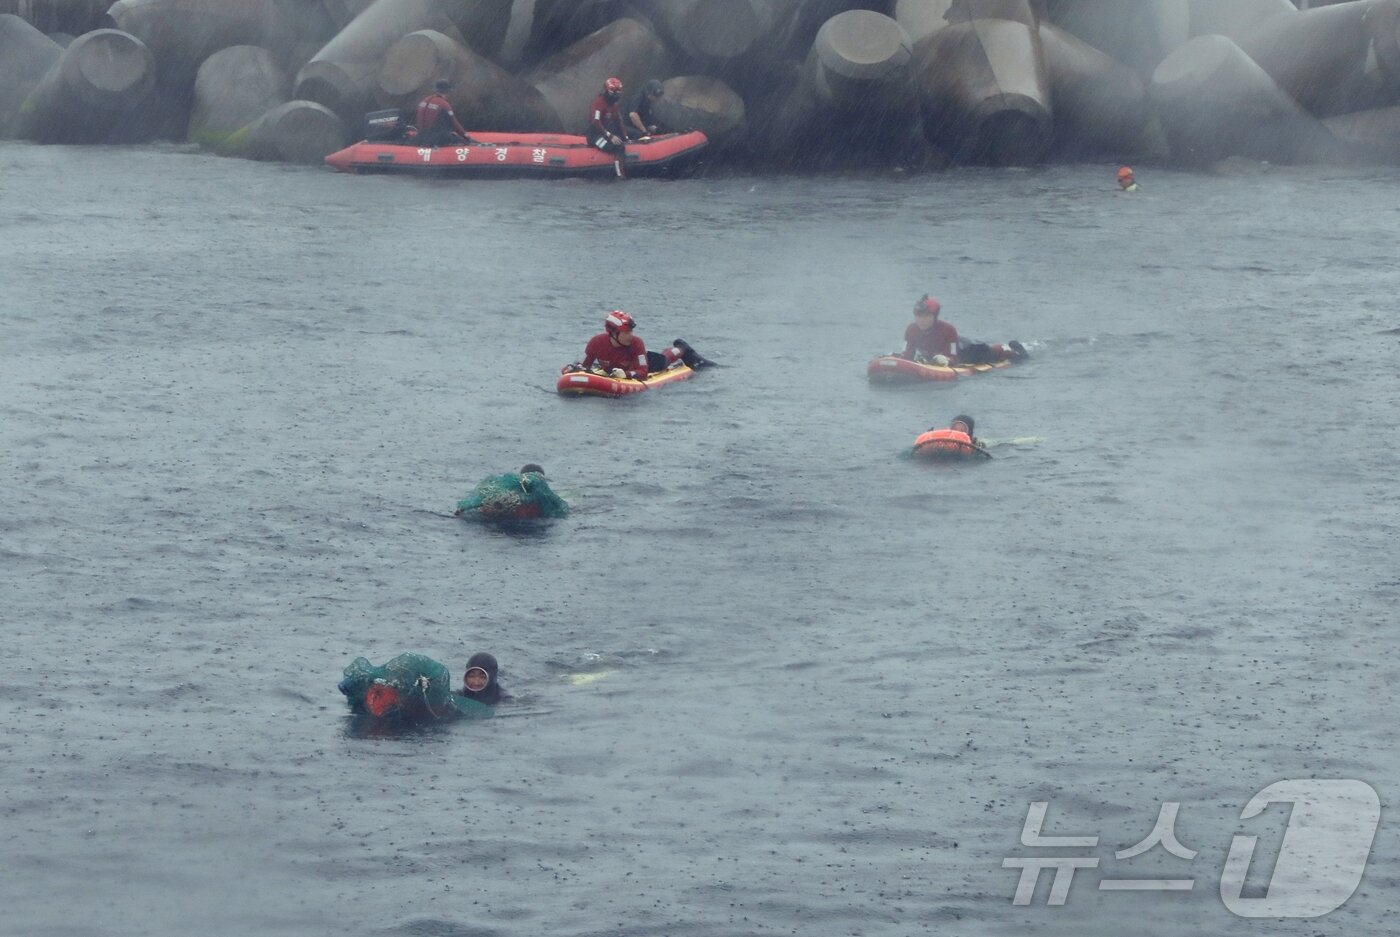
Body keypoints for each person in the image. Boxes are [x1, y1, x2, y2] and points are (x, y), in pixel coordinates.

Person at [572, 310, 710, 381]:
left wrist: (625, 374)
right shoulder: (596, 342)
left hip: (646, 364)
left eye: (631, 331)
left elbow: (643, 373)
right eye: (626, 332)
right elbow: (585, 366)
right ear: (613, 333)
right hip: (618, 368)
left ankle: (680, 349)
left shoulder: (636, 343)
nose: (630, 335)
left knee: (663, 360)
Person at [899, 294, 1028, 365]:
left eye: (926, 316)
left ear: (935, 316)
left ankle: (1014, 349)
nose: (921, 320)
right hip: (942, 353)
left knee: (992, 352)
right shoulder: (911, 330)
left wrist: (945, 360)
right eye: (918, 316)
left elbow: (953, 358)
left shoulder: (948, 330)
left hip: (969, 351)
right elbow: (907, 355)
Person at [588, 77, 630, 167]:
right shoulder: (598, 103)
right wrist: (610, 136)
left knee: (630, 135)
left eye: (618, 92)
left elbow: (619, 121)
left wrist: (626, 137)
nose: (616, 95)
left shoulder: (614, 105)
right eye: (613, 92)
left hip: (606, 133)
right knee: (618, 147)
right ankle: (620, 175)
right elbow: (596, 122)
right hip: (595, 136)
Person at [415, 79, 470, 147]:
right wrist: (465, 136)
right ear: (447, 91)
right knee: (462, 141)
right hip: (436, 138)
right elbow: (455, 124)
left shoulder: (425, 100)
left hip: (420, 136)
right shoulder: (443, 104)